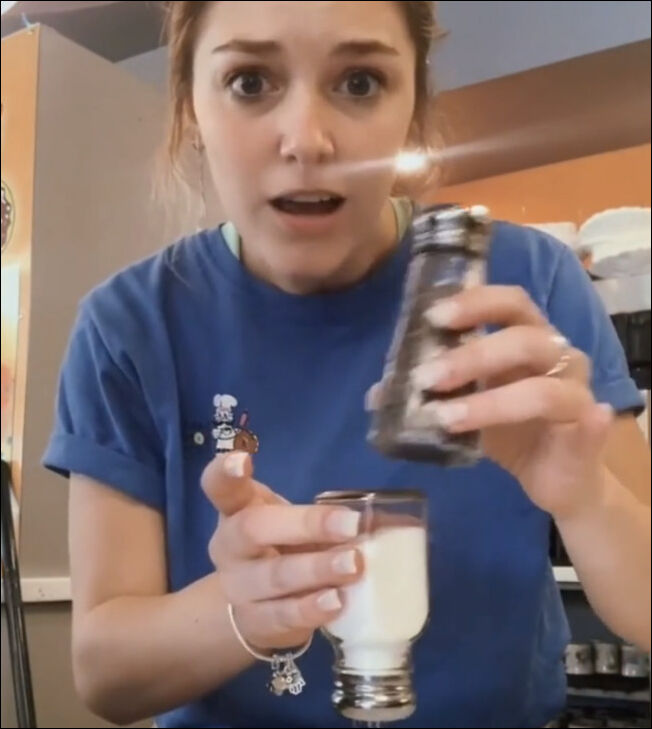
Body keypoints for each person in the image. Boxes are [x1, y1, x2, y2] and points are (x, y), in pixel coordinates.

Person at [42, 2, 651, 727]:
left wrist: (586, 495)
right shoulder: (132, 324)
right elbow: (105, 673)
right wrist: (242, 605)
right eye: (248, 82)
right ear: (189, 108)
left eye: (360, 82)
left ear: (412, 107)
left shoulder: (527, 282)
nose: (307, 139)